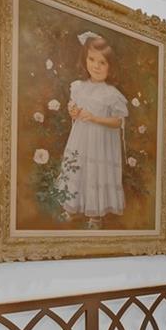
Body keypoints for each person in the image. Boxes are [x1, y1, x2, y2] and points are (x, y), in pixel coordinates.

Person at [57, 31, 127, 228]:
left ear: (110, 66)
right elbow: (75, 110)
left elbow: (118, 122)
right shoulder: (79, 87)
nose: (95, 66)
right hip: (81, 139)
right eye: (91, 59)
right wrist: (73, 110)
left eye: (102, 62)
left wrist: (95, 118)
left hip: (100, 143)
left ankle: (95, 215)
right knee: (78, 169)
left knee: (96, 172)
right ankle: (71, 207)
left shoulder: (112, 94)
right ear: (85, 59)